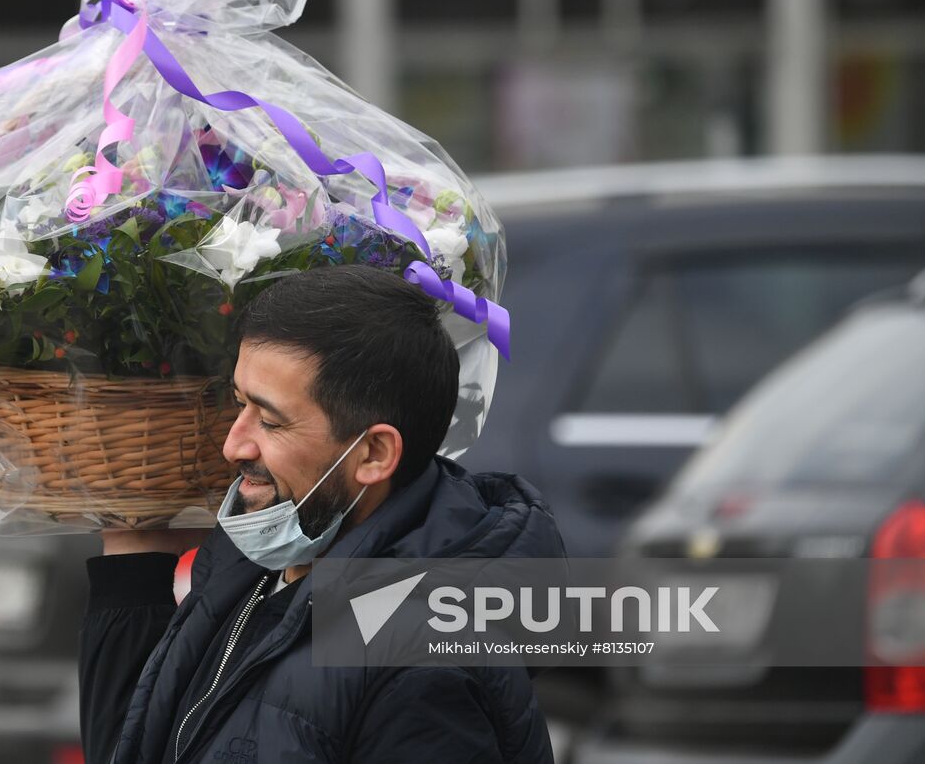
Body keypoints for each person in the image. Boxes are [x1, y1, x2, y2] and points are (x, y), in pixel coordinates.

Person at [79, 264, 564, 763]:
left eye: (270, 420)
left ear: (373, 454)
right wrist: (132, 552)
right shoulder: (257, 569)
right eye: (238, 403)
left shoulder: (421, 666)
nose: (233, 444)